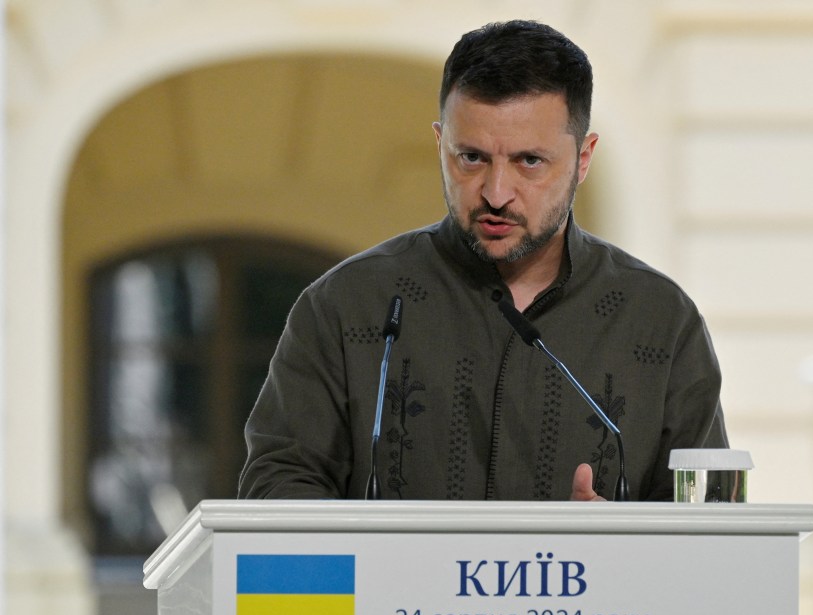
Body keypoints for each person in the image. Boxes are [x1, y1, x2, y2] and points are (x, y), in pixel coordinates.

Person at [239, 20, 727, 502]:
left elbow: (710, 525)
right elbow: (277, 490)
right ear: (439, 145)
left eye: (529, 162)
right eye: (470, 158)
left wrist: (619, 553)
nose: (495, 194)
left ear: (583, 158)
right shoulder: (344, 306)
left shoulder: (660, 321)